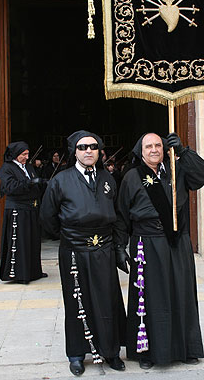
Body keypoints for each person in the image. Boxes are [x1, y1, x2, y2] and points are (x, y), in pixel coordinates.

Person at [116, 132, 204, 370]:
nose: (154, 150)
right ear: (141, 150)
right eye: (149, 146)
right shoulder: (132, 177)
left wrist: (184, 152)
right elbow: (122, 215)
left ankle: (185, 348)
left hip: (178, 243)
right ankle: (148, 351)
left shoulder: (177, 170)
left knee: (182, 293)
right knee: (150, 298)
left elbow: (202, 175)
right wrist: (119, 245)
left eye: (159, 145)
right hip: (146, 244)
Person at [39, 130, 128, 376]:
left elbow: (120, 215)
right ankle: (77, 354)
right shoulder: (61, 180)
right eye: (82, 147)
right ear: (74, 152)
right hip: (74, 250)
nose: (88, 151)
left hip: (104, 249)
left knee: (107, 299)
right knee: (77, 300)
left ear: (99, 151)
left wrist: (120, 246)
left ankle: (110, 352)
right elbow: (47, 216)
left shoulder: (109, 179)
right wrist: (69, 237)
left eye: (93, 146)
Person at [0, 141, 48, 283]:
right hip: (17, 210)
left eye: (27, 154)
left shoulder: (28, 167)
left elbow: (34, 183)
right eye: (23, 154)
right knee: (20, 242)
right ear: (15, 154)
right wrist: (31, 183)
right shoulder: (7, 168)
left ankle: (33, 272)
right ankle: (19, 274)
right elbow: (10, 187)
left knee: (32, 241)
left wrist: (42, 183)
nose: (26, 157)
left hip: (31, 209)